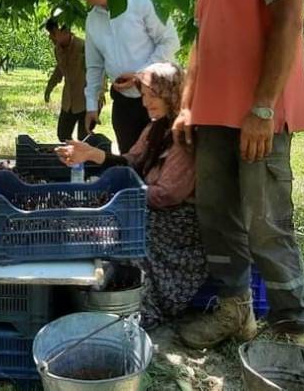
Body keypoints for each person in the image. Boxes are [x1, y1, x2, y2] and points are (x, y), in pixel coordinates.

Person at [168, 0, 304, 347]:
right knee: (218, 216)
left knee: (266, 222)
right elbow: (202, 41)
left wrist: (264, 107)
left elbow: (288, 21)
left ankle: (294, 334)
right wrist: (188, 105)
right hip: (213, 117)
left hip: (257, 117)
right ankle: (235, 314)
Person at [57, 63, 206, 329]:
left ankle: (141, 304)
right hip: (151, 207)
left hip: (176, 224)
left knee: (120, 230)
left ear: (172, 94)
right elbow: (132, 161)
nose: (146, 103)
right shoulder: (156, 128)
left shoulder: (183, 136)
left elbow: (168, 195)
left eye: (152, 96)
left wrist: (126, 197)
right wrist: (91, 154)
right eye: (144, 96)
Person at [72, 0, 180, 153]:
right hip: (123, 104)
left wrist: (141, 75)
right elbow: (95, 66)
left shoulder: (141, 0)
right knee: (130, 159)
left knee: (160, 159)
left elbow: (170, 42)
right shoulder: (92, 19)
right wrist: (91, 106)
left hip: (157, 98)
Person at [43, 19, 91, 142]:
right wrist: (49, 87)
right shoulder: (57, 50)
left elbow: (97, 75)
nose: (50, 37)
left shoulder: (84, 48)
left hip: (86, 101)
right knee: (63, 135)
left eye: (53, 33)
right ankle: (71, 158)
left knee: (84, 138)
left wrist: (97, 100)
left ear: (65, 32)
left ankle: (89, 158)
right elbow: (59, 69)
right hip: (68, 101)